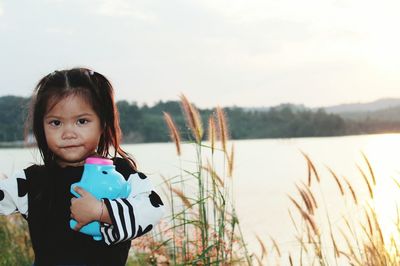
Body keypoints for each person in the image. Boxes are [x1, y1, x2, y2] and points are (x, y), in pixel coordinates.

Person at [0, 68, 165, 265]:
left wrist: (102, 212)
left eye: (82, 121)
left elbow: (154, 208)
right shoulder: (31, 181)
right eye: (55, 123)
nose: (68, 133)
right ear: (41, 127)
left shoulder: (120, 173)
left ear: (102, 124)